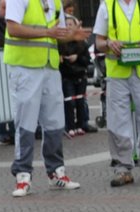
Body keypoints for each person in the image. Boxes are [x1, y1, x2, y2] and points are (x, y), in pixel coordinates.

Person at [3, 0, 90, 196]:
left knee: (55, 122)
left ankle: (56, 172)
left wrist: (71, 36)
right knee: (25, 123)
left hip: (49, 67)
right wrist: (47, 33)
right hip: (24, 67)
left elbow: (56, 34)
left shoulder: (54, 2)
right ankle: (22, 175)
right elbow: (13, 28)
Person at [94, 0, 140, 186]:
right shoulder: (107, 5)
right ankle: (122, 167)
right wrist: (109, 43)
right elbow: (98, 42)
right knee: (118, 119)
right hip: (118, 73)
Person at [59, 2, 96, 136]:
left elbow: (87, 60)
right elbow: (61, 61)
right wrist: (65, 59)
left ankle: (82, 124)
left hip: (80, 75)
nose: (69, 27)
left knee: (81, 101)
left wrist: (77, 58)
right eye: (66, 24)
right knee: (69, 102)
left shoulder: (81, 43)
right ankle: (70, 126)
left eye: (71, 24)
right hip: (68, 76)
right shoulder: (61, 44)